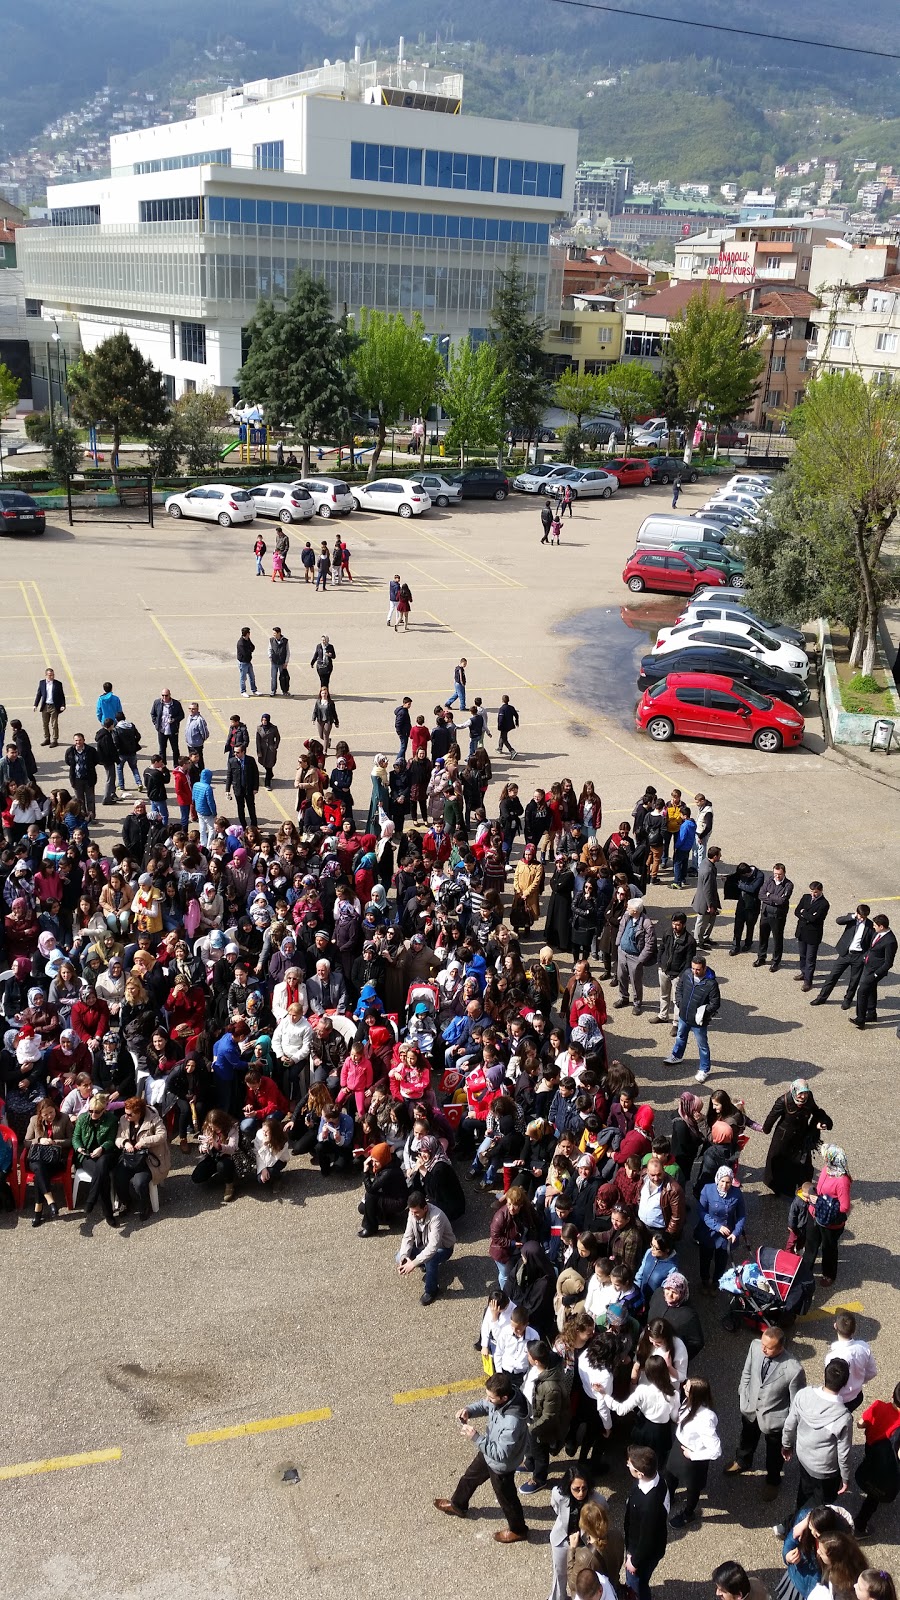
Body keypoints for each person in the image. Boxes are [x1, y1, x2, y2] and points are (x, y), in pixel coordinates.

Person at [433, 1370, 531, 1543]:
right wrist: (469, 1411)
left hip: (501, 1465)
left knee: (507, 1499)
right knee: (469, 1477)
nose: (487, 1400)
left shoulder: (512, 1423)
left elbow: (501, 1454)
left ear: (504, 1398)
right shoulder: (504, 1396)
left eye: (491, 1397)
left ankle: (519, 1530)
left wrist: (476, 1437)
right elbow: (486, 1406)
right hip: (488, 1450)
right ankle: (458, 1505)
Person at [726, 1325, 806, 1499]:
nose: (763, 1349)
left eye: (768, 1347)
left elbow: (796, 1402)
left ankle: (773, 1480)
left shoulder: (794, 1369)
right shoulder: (755, 1346)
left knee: (774, 1454)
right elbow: (747, 1371)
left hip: (775, 1419)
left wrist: (789, 1428)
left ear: (781, 1347)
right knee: (747, 1438)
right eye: (763, 1344)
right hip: (750, 1408)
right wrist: (743, 1393)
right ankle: (742, 1461)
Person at [782, 1358, 853, 1513]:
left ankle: (796, 1518)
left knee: (805, 1491)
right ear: (845, 1384)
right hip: (825, 1469)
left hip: (803, 1457)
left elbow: (790, 1424)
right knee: (821, 1506)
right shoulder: (843, 1417)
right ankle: (800, 1527)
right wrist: (845, 1477)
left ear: (825, 1375)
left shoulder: (803, 1395)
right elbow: (844, 1453)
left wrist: (786, 1445)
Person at [666, 1376, 721, 1528]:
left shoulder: (705, 1418)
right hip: (680, 1446)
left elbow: (716, 1450)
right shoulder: (688, 1402)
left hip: (693, 1457)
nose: (684, 1387)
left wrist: (693, 1455)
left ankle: (688, 1514)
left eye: (687, 1388)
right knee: (669, 1474)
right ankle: (669, 1496)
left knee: (692, 1488)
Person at [763, 1080, 833, 1198]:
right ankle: (778, 1188)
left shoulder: (809, 1098)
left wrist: (823, 1121)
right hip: (783, 1138)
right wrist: (766, 1128)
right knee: (779, 1163)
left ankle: (803, 1189)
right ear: (794, 1091)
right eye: (800, 1093)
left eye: (805, 1093)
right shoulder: (783, 1101)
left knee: (803, 1164)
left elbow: (816, 1111)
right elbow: (772, 1116)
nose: (803, 1096)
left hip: (801, 1136)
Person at [548, 1471, 607, 1600]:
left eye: (584, 1488)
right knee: (559, 1573)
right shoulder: (558, 1494)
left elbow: (602, 1514)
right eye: (576, 1489)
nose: (580, 1493)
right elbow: (556, 1507)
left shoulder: (598, 1500)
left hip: (585, 1544)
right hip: (562, 1539)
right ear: (568, 1486)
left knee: (581, 1577)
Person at [664, 955, 721, 1084]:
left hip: (699, 1021)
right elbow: (679, 988)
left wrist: (703, 1012)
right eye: (693, 968)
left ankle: (704, 1069)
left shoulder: (711, 983)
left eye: (698, 969)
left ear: (704, 968)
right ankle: (676, 1056)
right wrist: (679, 1003)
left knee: (702, 1046)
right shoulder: (687, 974)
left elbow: (715, 1003)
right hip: (684, 1015)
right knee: (680, 1036)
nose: (695, 971)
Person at [623, 1444, 669, 1600]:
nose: (627, 1465)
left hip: (642, 1555)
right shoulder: (657, 1480)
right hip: (645, 1546)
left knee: (636, 1584)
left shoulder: (650, 1504)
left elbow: (647, 1539)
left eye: (630, 1465)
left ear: (640, 1473)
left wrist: (634, 1562)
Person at [854, 1381, 900, 1535]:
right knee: (873, 1497)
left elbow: (861, 1424)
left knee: (870, 1463)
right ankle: (859, 1526)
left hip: (871, 1447)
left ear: (892, 1395)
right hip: (887, 1462)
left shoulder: (878, 1405)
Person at [113, 1095, 170, 1220]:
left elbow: (162, 1135)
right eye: (125, 1114)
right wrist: (125, 1142)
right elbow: (118, 1138)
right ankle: (127, 1202)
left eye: (129, 1114)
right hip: (130, 1158)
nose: (126, 1117)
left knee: (139, 1183)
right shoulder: (124, 1120)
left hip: (149, 1160)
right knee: (118, 1178)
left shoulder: (154, 1119)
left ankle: (145, 1205)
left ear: (138, 1113)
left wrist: (144, 1142)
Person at [396, 1190, 456, 1305]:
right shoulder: (412, 1213)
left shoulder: (437, 1217)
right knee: (399, 1256)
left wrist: (413, 1264)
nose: (413, 1215)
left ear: (425, 1208)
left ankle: (432, 1290)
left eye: (416, 1212)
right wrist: (405, 1257)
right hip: (423, 1245)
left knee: (431, 1259)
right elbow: (408, 1236)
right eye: (411, 1212)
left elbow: (433, 1247)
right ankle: (423, 1263)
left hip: (444, 1248)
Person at [804, 1146, 853, 1287]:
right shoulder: (827, 1169)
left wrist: (821, 1202)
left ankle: (829, 1274)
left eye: (826, 1156)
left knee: (828, 1249)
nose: (824, 1158)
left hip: (830, 1223)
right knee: (811, 1244)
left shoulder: (842, 1181)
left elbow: (844, 1207)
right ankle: (805, 1271)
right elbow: (820, 1189)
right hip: (815, 1214)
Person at [72, 1091, 120, 1228]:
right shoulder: (82, 1118)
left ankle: (91, 1200)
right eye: (91, 1111)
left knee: (103, 1163)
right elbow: (76, 1137)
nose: (93, 1115)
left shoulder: (111, 1119)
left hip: (105, 1154)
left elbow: (111, 1140)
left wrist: (102, 1148)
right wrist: (79, 1148)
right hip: (87, 1155)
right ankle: (108, 1214)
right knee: (103, 1179)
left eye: (97, 1112)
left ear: (104, 1109)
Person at [694, 1165, 746, 1292]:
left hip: (726, 1237)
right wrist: (717, 1227)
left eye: (728, 1182)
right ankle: (704, 1281)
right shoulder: (707, 1189)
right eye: (722, 1181)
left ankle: (716, 1283)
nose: (724, 1185)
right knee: (705, 1259)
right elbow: (701, 1211)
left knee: (721, 1262)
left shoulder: (737, 1193)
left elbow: (741, 1215)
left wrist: (736, 1232)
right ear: (717, 1179)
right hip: (708, 1233)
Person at [24, 1097, 72, 1225]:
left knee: (38, 1174)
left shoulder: (64, 1118)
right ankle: (49, 1199)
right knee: (38, 1167)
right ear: (40, 1114)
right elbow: (26, 1142)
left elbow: (71, 1140)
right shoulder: (34, 1120)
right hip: (38, 1157)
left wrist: (55, 1142)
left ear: (55, 1110)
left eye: (52, 1112)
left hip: (56, 1160)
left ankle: (38, 1209)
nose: (50, 1116)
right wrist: (39, 1141)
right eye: (46, 1114)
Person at [614, 897, 657, 1017]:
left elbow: (650, 943)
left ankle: (637, 1003)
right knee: (621, 976)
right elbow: (621, 929)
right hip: (622, 952)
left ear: (635, 911)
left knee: (635, 981)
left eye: (629, 907)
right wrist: (618, 944)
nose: (626, 908)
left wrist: (641, 959)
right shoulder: (627, 916)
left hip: (635, 957)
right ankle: (623, 998)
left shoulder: (647, 924)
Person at [827, 1311, 876, 1415]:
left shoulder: (831, 1357)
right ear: (854, 1329)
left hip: (840, 1400)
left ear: (835, 1326)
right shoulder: (864, 1347)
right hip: (857, 1395)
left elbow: (831, 1382)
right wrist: (859, 1380)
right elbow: (872, 1372)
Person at [851, 915, 896, 1029]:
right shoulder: (877, 933)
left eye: (875, 925)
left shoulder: (890, 941)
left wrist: (876, 974)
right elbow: (871, 948)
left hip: (876, 971)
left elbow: (888, 963)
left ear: (881, 926)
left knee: (862, 991)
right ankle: (871, 1014)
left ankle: (860, 1019)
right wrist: (865, 957)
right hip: (868, 966)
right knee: (871, 990)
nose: (873, 926)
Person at [192, 1109, 241, 1202]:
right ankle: (218, 1173)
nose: (214, 1129)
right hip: (212, 1155)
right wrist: (203, 1148)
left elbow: (232, 1148)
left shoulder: (232, 1128)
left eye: (216, 1127)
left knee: (223, 1166)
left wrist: (217, 1145)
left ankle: (229, 1183)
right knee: (196, 1177)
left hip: (227, 1156)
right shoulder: (208, 1127)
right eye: (212, 1127)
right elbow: (203, 1143)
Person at [755, 863, 794, 972]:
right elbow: (760, 894)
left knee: (777, 939)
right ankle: (761, 957)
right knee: (763, 937)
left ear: (784, 873)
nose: (777, 876)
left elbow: (782, 901)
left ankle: (776, 962)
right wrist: (773, 899)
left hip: (778, 917)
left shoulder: (788, 885)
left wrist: (769, 895)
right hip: (766, 914)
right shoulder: (769, 880)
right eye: (775, 874)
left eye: (779, 874)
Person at [794, 882, 831, 991]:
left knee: (810, 959)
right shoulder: (806, 897)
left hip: (813, 935)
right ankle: (803, 973)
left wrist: (803, 913)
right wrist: (807, 915)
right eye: (812, 891)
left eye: (815, 892)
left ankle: (808, 981)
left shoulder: (824, 904)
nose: (813, 894)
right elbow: (796, 911)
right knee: (802, 955)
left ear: (821, 891)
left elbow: (815, 919)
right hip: (802, 931)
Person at [727, 862, 765, 955]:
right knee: (738, 925)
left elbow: (752, 888)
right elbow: (734, 877)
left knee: (750, 925)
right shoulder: (742, 872)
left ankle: (748, 942)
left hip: (753, 905)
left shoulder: (759, 875)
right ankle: (735, 945)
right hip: (742, 903)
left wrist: (739, 885)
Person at [64, 733, 100, 821]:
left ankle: (91, 817)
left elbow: (95, 760)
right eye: (76, 740)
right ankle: (82, 816)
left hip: (89, 778)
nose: (78, 742)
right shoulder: (70, 751)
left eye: (80, 740)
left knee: (90, 799)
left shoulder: (91, 750)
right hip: (76, 779)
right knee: (79, 800)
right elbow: (68, 761)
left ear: (84, 740)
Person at [691, 846, 722, 948]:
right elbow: (707, 890)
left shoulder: (705, 862)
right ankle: (698, 941)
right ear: (714, 856)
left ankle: (705, 938)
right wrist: (710, 905)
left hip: (707, 900)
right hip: (705, 902)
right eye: (719, 855)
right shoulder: (708, 870)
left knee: (711, 920)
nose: (720, 856)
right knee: (702, 922)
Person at [226, 743, 260, 829]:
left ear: (243, 752)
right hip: (238, 789)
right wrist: (227, 790)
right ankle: (243, 826)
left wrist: (255, 788)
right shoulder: (232, 761)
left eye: (237, 752)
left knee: (251, 807)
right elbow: (229, 775)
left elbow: (256, 774)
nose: (235, 754)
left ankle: (254, 826)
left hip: (249, 789)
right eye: (234, 752)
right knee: (240, 808)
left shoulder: (250, 760)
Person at [34, 666, 66, 747]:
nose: (51, 676)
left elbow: (61, 695)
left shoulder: (58, 684)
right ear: (46, 675)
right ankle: (47, 738)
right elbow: (39, 694)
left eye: (52, 675)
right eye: (49, 675)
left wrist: (63, 705)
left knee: (54, 724)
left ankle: (55, 740)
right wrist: (35, 705)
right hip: (45, 706)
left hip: (54, 706)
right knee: (45, 724)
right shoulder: (42, 683)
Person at [150, 688, 184, 761]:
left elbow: (181, 715)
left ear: (170, 695)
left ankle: (176, 765)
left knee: (175, 749)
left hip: (173, 730)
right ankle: (163, 765)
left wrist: (174, 720)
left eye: (166, 695)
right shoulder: (157, 703)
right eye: (163, 695)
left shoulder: (176, 704)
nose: (164, 697)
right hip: (162, 730)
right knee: (162, 749)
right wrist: (156, 724)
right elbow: (153, 714)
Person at [311, 688, 339, 755]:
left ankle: (325, 751)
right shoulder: (318, 702)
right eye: (323, 693)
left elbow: (334, 712)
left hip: (328, 720)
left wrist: (336, 722)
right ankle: (328, 741)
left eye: (325, 693)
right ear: (320, 694)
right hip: (320, 720)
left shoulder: (331, 703)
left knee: (326, 735)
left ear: (327, 694)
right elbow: (315, 710)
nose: (324, 695)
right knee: (321, 736)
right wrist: (313, 719)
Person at [256, 714, 280, 790]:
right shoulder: (259, 728)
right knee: (265, 764)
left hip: (270, 750)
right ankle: (270, 774)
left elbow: (278, 737)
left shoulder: (273, 728)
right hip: (263, 750)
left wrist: (275, 746)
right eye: (263, 720)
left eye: (265, 720)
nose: (264, 722)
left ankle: (267, 784)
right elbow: (257, 741)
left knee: (269, 766)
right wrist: (259, 751)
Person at [268, 627, 290, 697]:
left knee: (283, 678)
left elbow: (288, 652)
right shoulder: (271, 640)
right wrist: (270, 657)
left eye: (275, 633)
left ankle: (284, 691)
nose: (273, 634)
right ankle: (273, 690)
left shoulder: (285, 641)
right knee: (273, 677)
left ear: (279, 633)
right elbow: (269, 649)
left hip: (282, 663)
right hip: (274, 662)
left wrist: (286, 662)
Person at [236, 627, 258, 697]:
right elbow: (245, 653)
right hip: (243, 662)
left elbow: (253, 647)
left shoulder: (248, 640)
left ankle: (254, 690)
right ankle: (243, 691)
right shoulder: (240, 643)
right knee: (243, 678)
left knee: (252, 676)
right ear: (247, 634)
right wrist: (249, 650)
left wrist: (249, 650)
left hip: (248, 661)